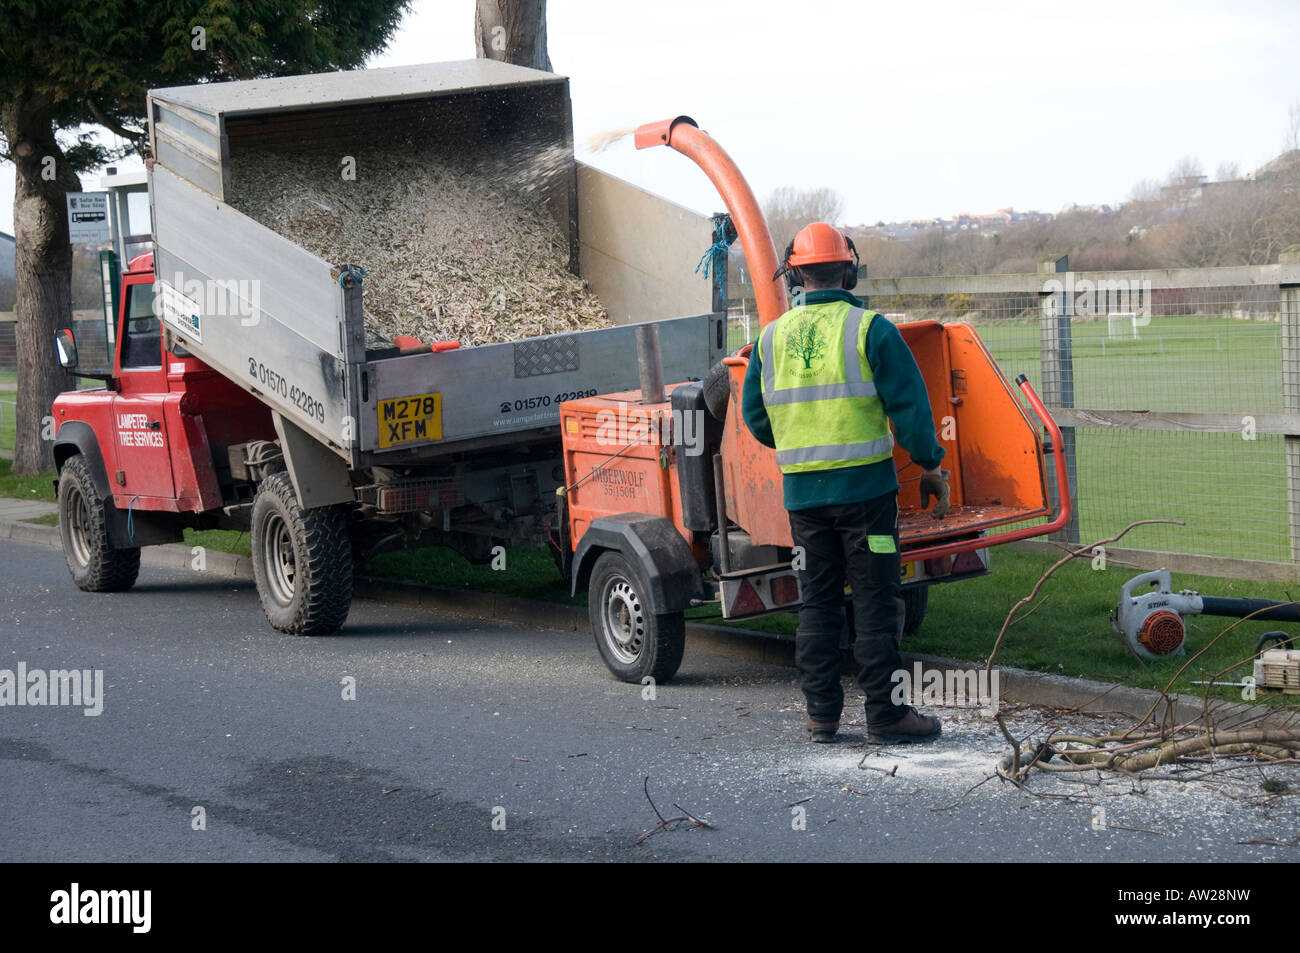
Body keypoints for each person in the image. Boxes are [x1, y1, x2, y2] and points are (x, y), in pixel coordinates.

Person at [741, 222, 950, 745]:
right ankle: (886, 714)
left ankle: (822, 718)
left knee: (818, 600)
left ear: (794, 274)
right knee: (877, 598)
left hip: (805, 503)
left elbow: (756, 417)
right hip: (868, 505)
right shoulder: (872, 329)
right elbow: (912, 410)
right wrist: (930, 465)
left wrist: (799, 442)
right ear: (848, 269)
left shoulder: (770, 339)